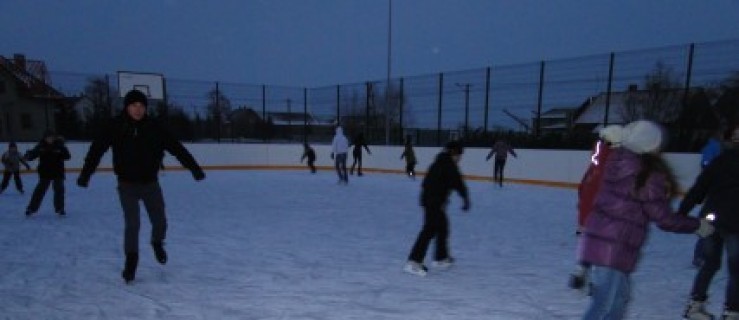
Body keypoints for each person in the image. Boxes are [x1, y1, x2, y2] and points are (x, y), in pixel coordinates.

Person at [578, 120, 714, 320]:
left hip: (602, 240)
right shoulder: (646, 174)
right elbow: (662, 217)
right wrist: (697, 225)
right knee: (604, 304)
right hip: (613, 246)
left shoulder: (616, 161)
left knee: (618, 300)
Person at [76, 89, 206, 284]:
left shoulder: (155, 127)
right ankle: (131, 261)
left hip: (150, 184)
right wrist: (86, 174)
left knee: (160, 220)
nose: (138, 110)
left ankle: (157, 242)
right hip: (126, 184)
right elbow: (96, 150)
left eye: (141, 106)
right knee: (132, 224)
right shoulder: (115, 126)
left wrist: (194, 168)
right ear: (126, 107)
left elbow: (177, 148)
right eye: (134, 106)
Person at [680, 124, 739, 320]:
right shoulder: (720, 161)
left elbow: (699, 188)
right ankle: (731, 311)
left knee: (710, 265)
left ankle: (695, 306)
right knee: (736, 270)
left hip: (711, 219)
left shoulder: (719, 161)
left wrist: (682, 212)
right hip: (734, 224)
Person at [404, 140, 470, 276]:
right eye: (459, 155)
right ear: (453, 153)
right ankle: (413, 262)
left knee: (442, 227)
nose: (460, 158)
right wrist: (465, 198)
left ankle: (441, 258)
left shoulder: (439, 162)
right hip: (433, 201)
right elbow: (458, 183)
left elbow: (428, 183)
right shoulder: (448, 165)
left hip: (430, 200)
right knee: (429, 230)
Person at [569, 124, 622, 290]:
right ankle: (595, 279)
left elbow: (582, 188)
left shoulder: (596, 162)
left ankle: (582, 268)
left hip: (588, 213)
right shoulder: (615, 165)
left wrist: (582, 218)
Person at [691, 128, 726, 268]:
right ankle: (700, 255)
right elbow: (705, 164)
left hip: (722, 196)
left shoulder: (721, 149)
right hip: (715, 195)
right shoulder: (713, 147)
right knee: (710, 223)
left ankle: (701, 255)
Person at [24, 131, 71, 216]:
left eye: (51, 137)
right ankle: (31, 208)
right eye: (48, 137)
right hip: (45, 172)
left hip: (58, 171)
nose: (50, 139)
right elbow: (33, 154)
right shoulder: (41, 146)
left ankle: (60, 208)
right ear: (45, 138)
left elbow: (67, 156)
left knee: (59, 190)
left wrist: (62, 149)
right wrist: (28, 156)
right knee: (39, 190)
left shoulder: (59, 145)